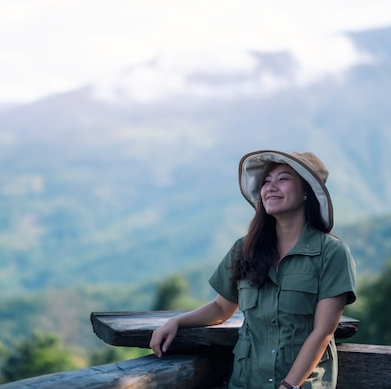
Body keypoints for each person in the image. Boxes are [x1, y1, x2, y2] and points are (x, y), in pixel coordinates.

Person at [149, 150, 356, 389]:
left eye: (283, 179)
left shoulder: (331, 253)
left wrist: (289, 386)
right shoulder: (245, 248)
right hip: (246, 381)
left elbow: (322, 332)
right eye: (266, 181)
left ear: (306, 192)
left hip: (302, 384)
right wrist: (177, 321)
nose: (271, 187)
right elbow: (221, 308)